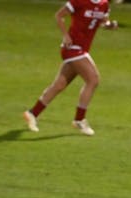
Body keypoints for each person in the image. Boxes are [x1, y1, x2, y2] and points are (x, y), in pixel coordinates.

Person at [22, 0, 119, 137]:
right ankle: (79, 119)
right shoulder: (80, 1)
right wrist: (65, 35)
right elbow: (59, 15)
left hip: (82, 50)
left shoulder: (104, 4)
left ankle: (32, 113)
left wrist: (110, 25)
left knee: (59, 85)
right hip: (72, 48)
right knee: (93, 79)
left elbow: (102, 22)